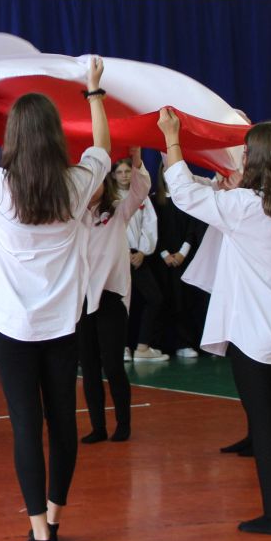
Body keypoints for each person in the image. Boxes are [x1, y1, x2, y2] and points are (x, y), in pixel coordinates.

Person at [0, 60, 111, 541]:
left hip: (13, 327)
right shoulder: (75, 185)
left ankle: (38, 532)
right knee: (62, 421)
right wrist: (93, 91)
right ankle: (54, 517)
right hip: (63, 325)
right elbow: (102, 149)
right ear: (56, 137)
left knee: (26, 426)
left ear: (13, 138)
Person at [159, 108, 271, 535]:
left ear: (257, 160)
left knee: (266, 424)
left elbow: (183, 193)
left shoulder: (247, 207)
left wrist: (172, 139)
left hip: (258, 333)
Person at [78, 146, 152, 443]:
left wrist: (137, 161)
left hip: (111, 298)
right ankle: (97, 426)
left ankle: (123, 423)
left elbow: (141, 189)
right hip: (81, 300)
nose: (91, 188)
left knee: (113, 366)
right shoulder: (72, 215)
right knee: (89, 368)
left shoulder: (118, 210)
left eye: (96, 181)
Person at [120, 155, 167, 362]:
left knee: (154, 298)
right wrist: (121, 253)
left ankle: (142, 347)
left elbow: (149, 224)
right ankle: (121, 347)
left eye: (127, 171)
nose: (124, 176)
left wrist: (142, 251)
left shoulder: (141, 197)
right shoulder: (109, 196)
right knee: (120, 303)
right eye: (119, 172)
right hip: (118, 257)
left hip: (137, 255)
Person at [155, 170, 206, 360]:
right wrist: (164, 254)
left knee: (184, 301)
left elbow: (193, 228)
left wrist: (183, 252)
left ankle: (184, 343)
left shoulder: (186, 199)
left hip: (184, 258)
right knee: (165, 300)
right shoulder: (155, 200)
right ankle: (163, 344)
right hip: (162, 260)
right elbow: (153, 229)